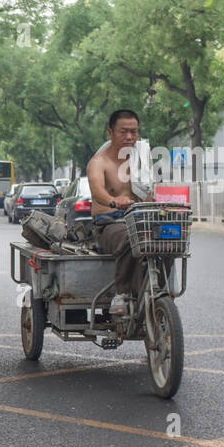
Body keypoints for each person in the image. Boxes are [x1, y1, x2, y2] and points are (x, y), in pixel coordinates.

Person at [86, 109, 144, 316]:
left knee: (167, 237)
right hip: (109, 223)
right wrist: (114, 201)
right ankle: (122, 293)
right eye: (123, 131)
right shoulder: (98, 163)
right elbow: (98, 192)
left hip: (139, 219)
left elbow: (151, 192)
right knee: (131, 237)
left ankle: (159, 292)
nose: (129, 137)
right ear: (110, 132)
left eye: (134, 132)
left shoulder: (142, 162)